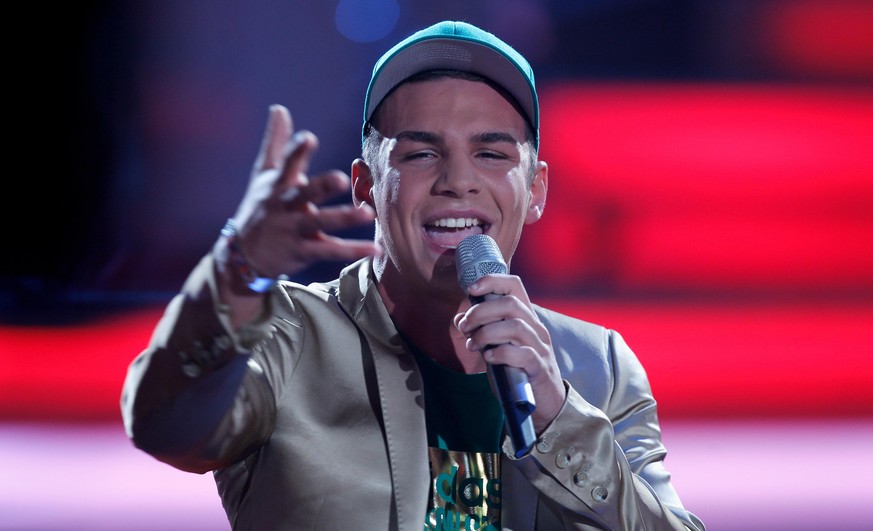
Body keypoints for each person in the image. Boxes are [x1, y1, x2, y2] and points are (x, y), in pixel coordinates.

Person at [121, 20, 705, 531]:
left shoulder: (596, 363)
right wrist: (235, 271)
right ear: (366, 184)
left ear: (536, 191)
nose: (458, 180)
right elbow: (168, 427)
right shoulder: (286, 333)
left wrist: (559, 418)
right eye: (421, 153)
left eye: (492, 154)